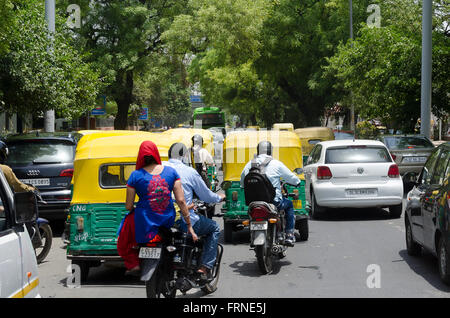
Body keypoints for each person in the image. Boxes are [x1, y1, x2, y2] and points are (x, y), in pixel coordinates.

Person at [118, 140, 197, 275]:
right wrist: (189, 225)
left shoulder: (135, 176)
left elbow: (128, 205)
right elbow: (181, 200)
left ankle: (134, 263)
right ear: (156, 154)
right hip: (166, 219)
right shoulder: (171, 172)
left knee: (124, 236)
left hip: (144, 221)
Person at [164, 142, 225, 280]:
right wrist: (219, 198)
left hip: (160, 218)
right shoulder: (189, 172)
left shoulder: (160, 168)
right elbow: (206, 196)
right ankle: (204, 267)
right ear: (184, 156)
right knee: (214, 228)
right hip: (182, 218)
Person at [240, 141, 300, 246]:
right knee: (289, 205)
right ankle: (289, 234)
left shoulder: (250, 164)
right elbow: (291, 178)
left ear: (258, 151)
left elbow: (242, 182)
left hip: (253, 203)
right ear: (270, 151)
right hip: (273, 201)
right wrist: (297, 182)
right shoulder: (276, 163)